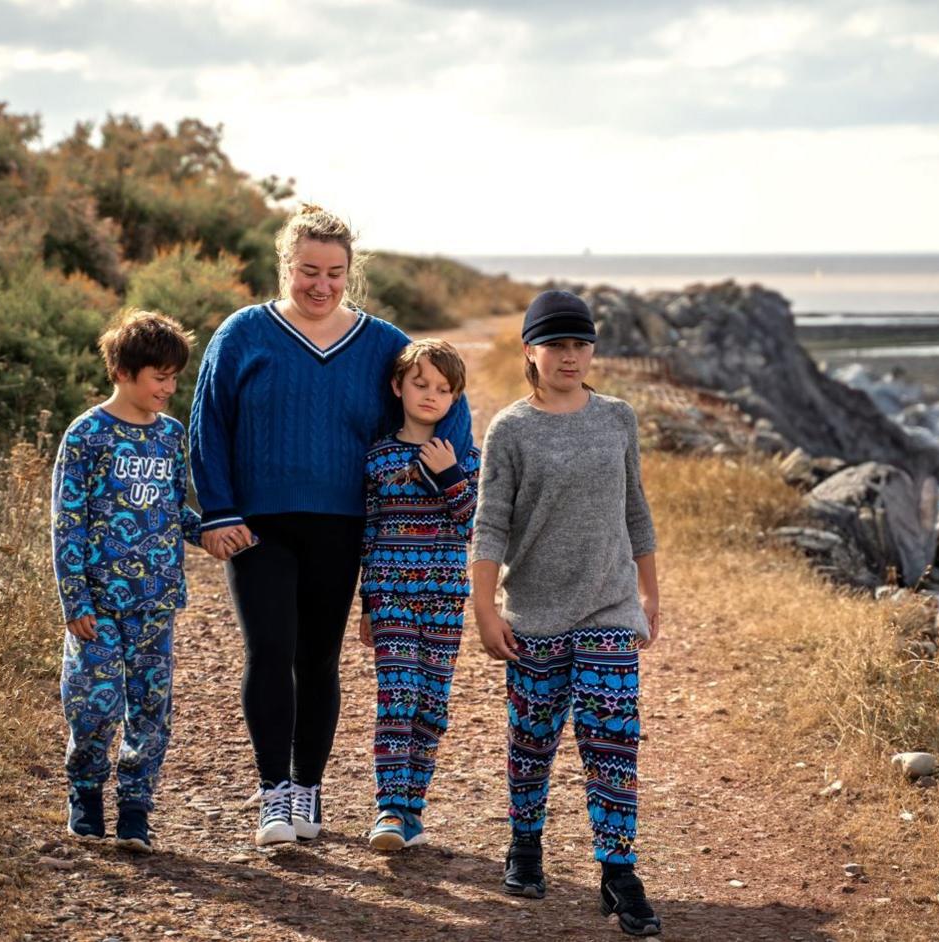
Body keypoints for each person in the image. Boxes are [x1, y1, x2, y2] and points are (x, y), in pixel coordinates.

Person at [188, 204, 472, 847]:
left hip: (343, 523)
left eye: (335, 273)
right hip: (258, 524)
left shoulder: (382, 344)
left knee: (317, 658)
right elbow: (210, 423)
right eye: (308, 270)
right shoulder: (243, 334)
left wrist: (442, 470)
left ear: (350, 272)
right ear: (285, 266)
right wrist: (218, 510)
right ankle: (273, 797)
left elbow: (445, 395)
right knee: (269, 650)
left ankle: (309, 789)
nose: (321, 284)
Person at [469, 290, 664, 936]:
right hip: (534, 613)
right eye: (557, 344)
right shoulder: (510, 430)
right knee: (532, 741)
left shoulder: (617, 418)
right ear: (531, 351)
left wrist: (649, 590)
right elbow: (490, 525)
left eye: (581, 344)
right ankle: (525, 844)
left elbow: (634, 508)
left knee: (612, 742)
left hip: (609, 606)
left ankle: (619, 871)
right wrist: (484, 609)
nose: (571, 356)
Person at [52, 309, 203, 854]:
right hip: (98, 604)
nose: (168, 387)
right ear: (123, 372)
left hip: (155, 602)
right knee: (94, 704)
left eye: (173, 377)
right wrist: (75, 599)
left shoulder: (171, 436)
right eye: (158, 376)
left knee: (150, 708)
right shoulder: (87, 435)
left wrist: (214, 535)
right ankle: (86, 794)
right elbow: (67, 522)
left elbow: (173, 510)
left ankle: (136, 809)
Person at [356, 339, 481, 851]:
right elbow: (368, 531)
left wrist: (449, 474)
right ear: (398, 387)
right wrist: (365, 602)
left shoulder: (467, 458)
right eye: (421, 384)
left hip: (446, 595)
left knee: (432, 704)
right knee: (399, 695)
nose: (431, 395)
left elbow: (473, 523)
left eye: (443, 389)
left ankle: (411, 809)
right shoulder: (380, 457)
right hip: (391, 593)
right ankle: (388, 807)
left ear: (455, 397)